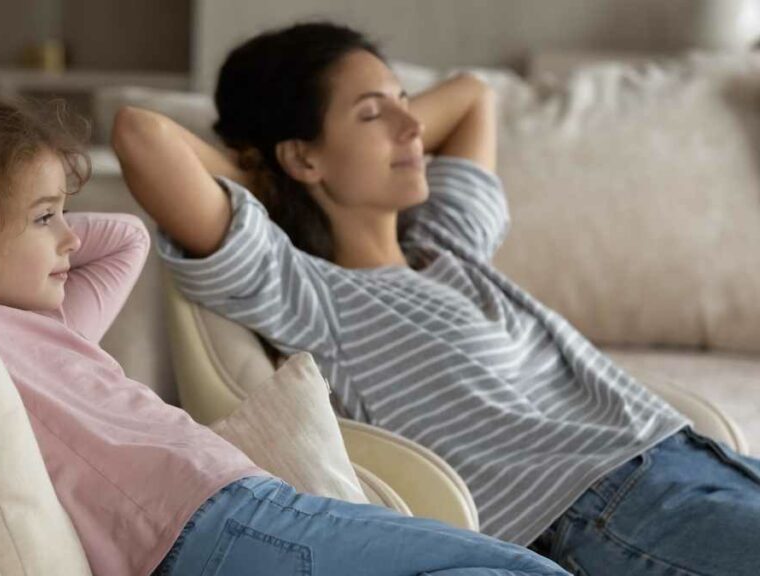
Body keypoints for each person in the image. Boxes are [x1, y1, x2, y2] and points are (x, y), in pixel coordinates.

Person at [0, 94, 567, 576]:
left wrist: (34, 213)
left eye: (63, 212)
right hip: (212, 527)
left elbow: (125, 237)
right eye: (45, 218)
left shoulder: (48, 330)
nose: (69, 239)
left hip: (241, 511)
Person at [112, 21, 760, 575]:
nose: (411, 126)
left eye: (405, 102)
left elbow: (475, 95)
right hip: (601, 509)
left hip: (688, 456)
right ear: (303, 158)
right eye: (372, 113)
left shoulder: (448, 243)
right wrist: (272, 176)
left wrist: (365, 122)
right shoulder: (309, 293)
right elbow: (142, 135)